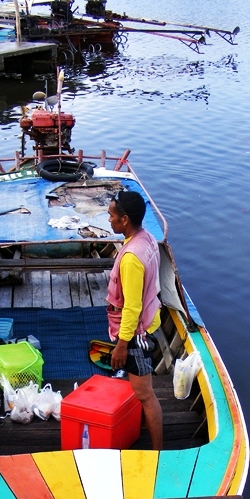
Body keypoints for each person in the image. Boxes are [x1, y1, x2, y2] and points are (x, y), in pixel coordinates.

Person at [106, 190, 163, 450]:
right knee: (140, 389)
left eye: (112, 215)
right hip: (151, 322)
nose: (109, 220)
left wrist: (121, 344)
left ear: (125, 219)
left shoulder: (130, 259)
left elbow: (132, 307)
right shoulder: (148, 239)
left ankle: (157, 450)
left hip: (135, 334)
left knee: (145, 394)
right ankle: (137, 430)